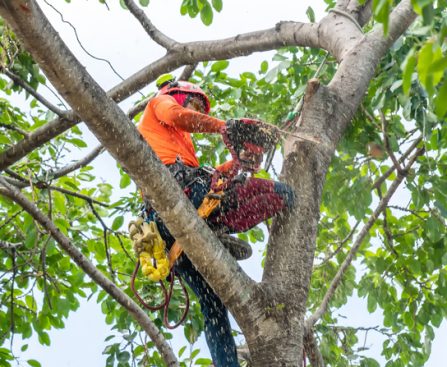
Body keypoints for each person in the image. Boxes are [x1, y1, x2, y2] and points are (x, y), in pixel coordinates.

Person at [135, 79, 295, 367]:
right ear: (178, 94)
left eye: (199, 108)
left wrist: (239, 162)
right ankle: (214, 230)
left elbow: (212, 178)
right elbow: (177, 116)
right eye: (193, 104)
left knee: (213, 306)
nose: (195, 111)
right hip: (174, 202)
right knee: (220, 188)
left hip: (188, 215)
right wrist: (225, 126)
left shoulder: (183, 148)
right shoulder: (159, 104)